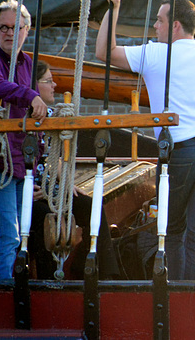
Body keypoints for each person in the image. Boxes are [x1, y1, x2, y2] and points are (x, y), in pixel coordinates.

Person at [95, 0, 195, 281]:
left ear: (176, 26)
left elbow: (104, 52)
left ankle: (175, 298)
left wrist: (114, 9)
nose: (155, 26)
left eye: (159, 20)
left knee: (171, 230)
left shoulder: (156, 54)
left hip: (179, 155)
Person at [29, 60, 120, 279]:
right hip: (30, 193)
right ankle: (47, 282)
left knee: (90, 206)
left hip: (51, 189)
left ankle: (102, 273)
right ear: (33, 86)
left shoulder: (51, 116)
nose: (55, 86)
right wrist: (24, 189)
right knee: (44, 218)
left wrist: (69, 183)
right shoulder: (19, 117)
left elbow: (53, 157)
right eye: (48, 81)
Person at [0, 0, 48, 280]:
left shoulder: (26, 62)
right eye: (3, 27)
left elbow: (32, 117)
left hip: (22, 162)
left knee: (21, 235)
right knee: (6, 237)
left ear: (27, 30)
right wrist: (31, 95)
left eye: (16, 27)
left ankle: (12, 295)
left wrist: (37, 168)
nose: (10, 33)